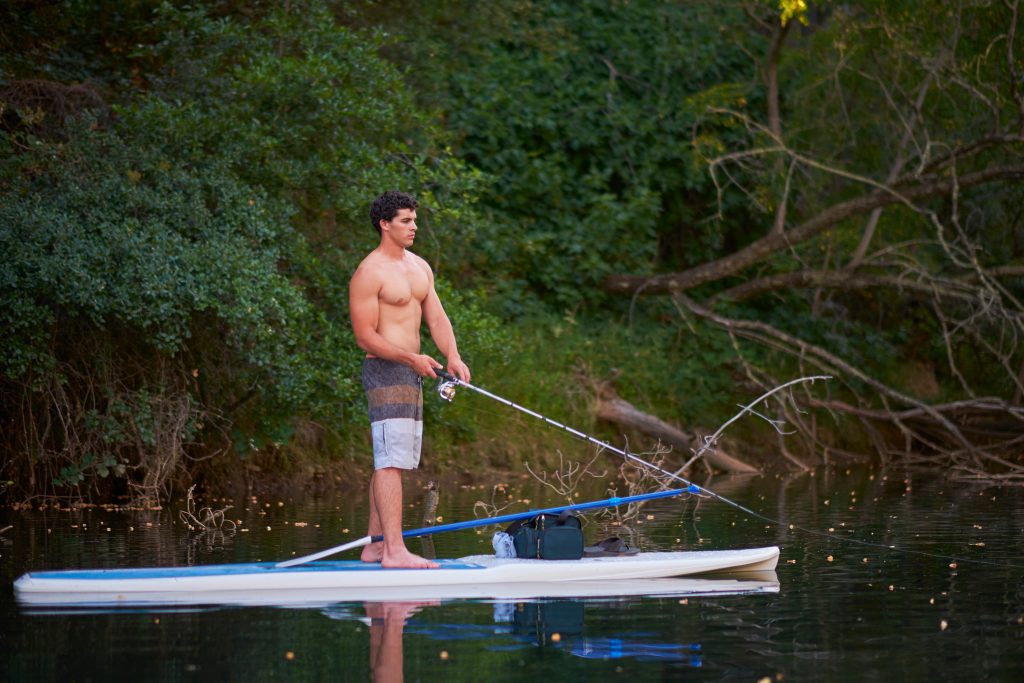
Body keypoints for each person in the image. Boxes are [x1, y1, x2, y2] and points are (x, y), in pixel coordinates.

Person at [349, 190, 471, 569]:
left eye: (415, 220)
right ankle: (395, 552)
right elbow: (364, 336)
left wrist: (452, 354)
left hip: (413, 371)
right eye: (405, 220)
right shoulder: (369, 272)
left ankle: (374, 547)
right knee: (389, 461)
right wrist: (410, 358)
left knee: (393, 460)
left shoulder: (419, 267)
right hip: (386, 370)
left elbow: (436, 317)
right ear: (385, 224)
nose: (413, 226)